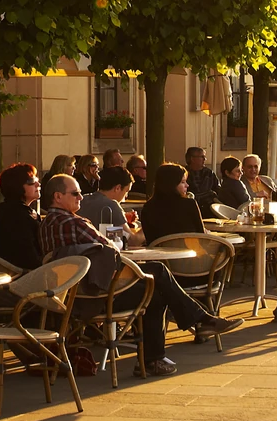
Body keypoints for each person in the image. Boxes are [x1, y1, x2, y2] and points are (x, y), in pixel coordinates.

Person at [36, 173, 240, 376]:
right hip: (96, 296)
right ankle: (188, 330)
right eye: (75, 193)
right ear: (57, 196)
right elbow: (111, 251)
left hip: (68, 295)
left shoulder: (45, 224)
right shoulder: (75, 223)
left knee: (154, 284)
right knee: (156, 280)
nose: (80, 197)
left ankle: (188, 330)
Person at [0, 163, 42, 270]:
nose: (38, 184)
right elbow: (29, 258)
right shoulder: (17, 217)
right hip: (17, 276)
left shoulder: (11, 210)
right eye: (32, 182)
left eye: (37, 180)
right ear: (17, 187)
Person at [140, 163, 207, 243]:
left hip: (159, 253)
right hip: (189, 253)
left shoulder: (148, 207)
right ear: (171, 184)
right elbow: (201, 236)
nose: (187, 185)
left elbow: (150, 240)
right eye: (183, 182)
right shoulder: (189, 204)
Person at [184, 146, 219, 214]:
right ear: (192, 159)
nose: (205, 159)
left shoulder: (209, 173)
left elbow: (218, 190)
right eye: (202, 157)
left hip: (210, 208)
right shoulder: (184, 174)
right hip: (191, 209)